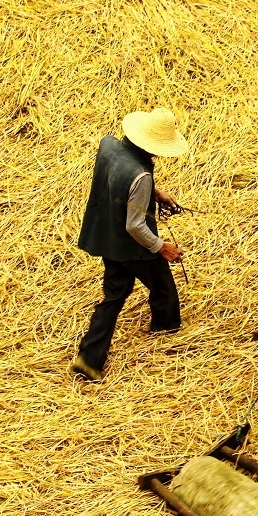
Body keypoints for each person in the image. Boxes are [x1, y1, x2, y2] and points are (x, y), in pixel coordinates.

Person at [71, 107, 189, 381]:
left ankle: (88, 360)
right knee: (163, 289)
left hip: (107, 238)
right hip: (133, 247)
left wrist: (154, 192)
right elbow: (135, 226)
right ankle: (166, 334)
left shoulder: (109, 146)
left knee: (113, 297)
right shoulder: (141, 176)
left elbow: (119, 182)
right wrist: (162, 247)